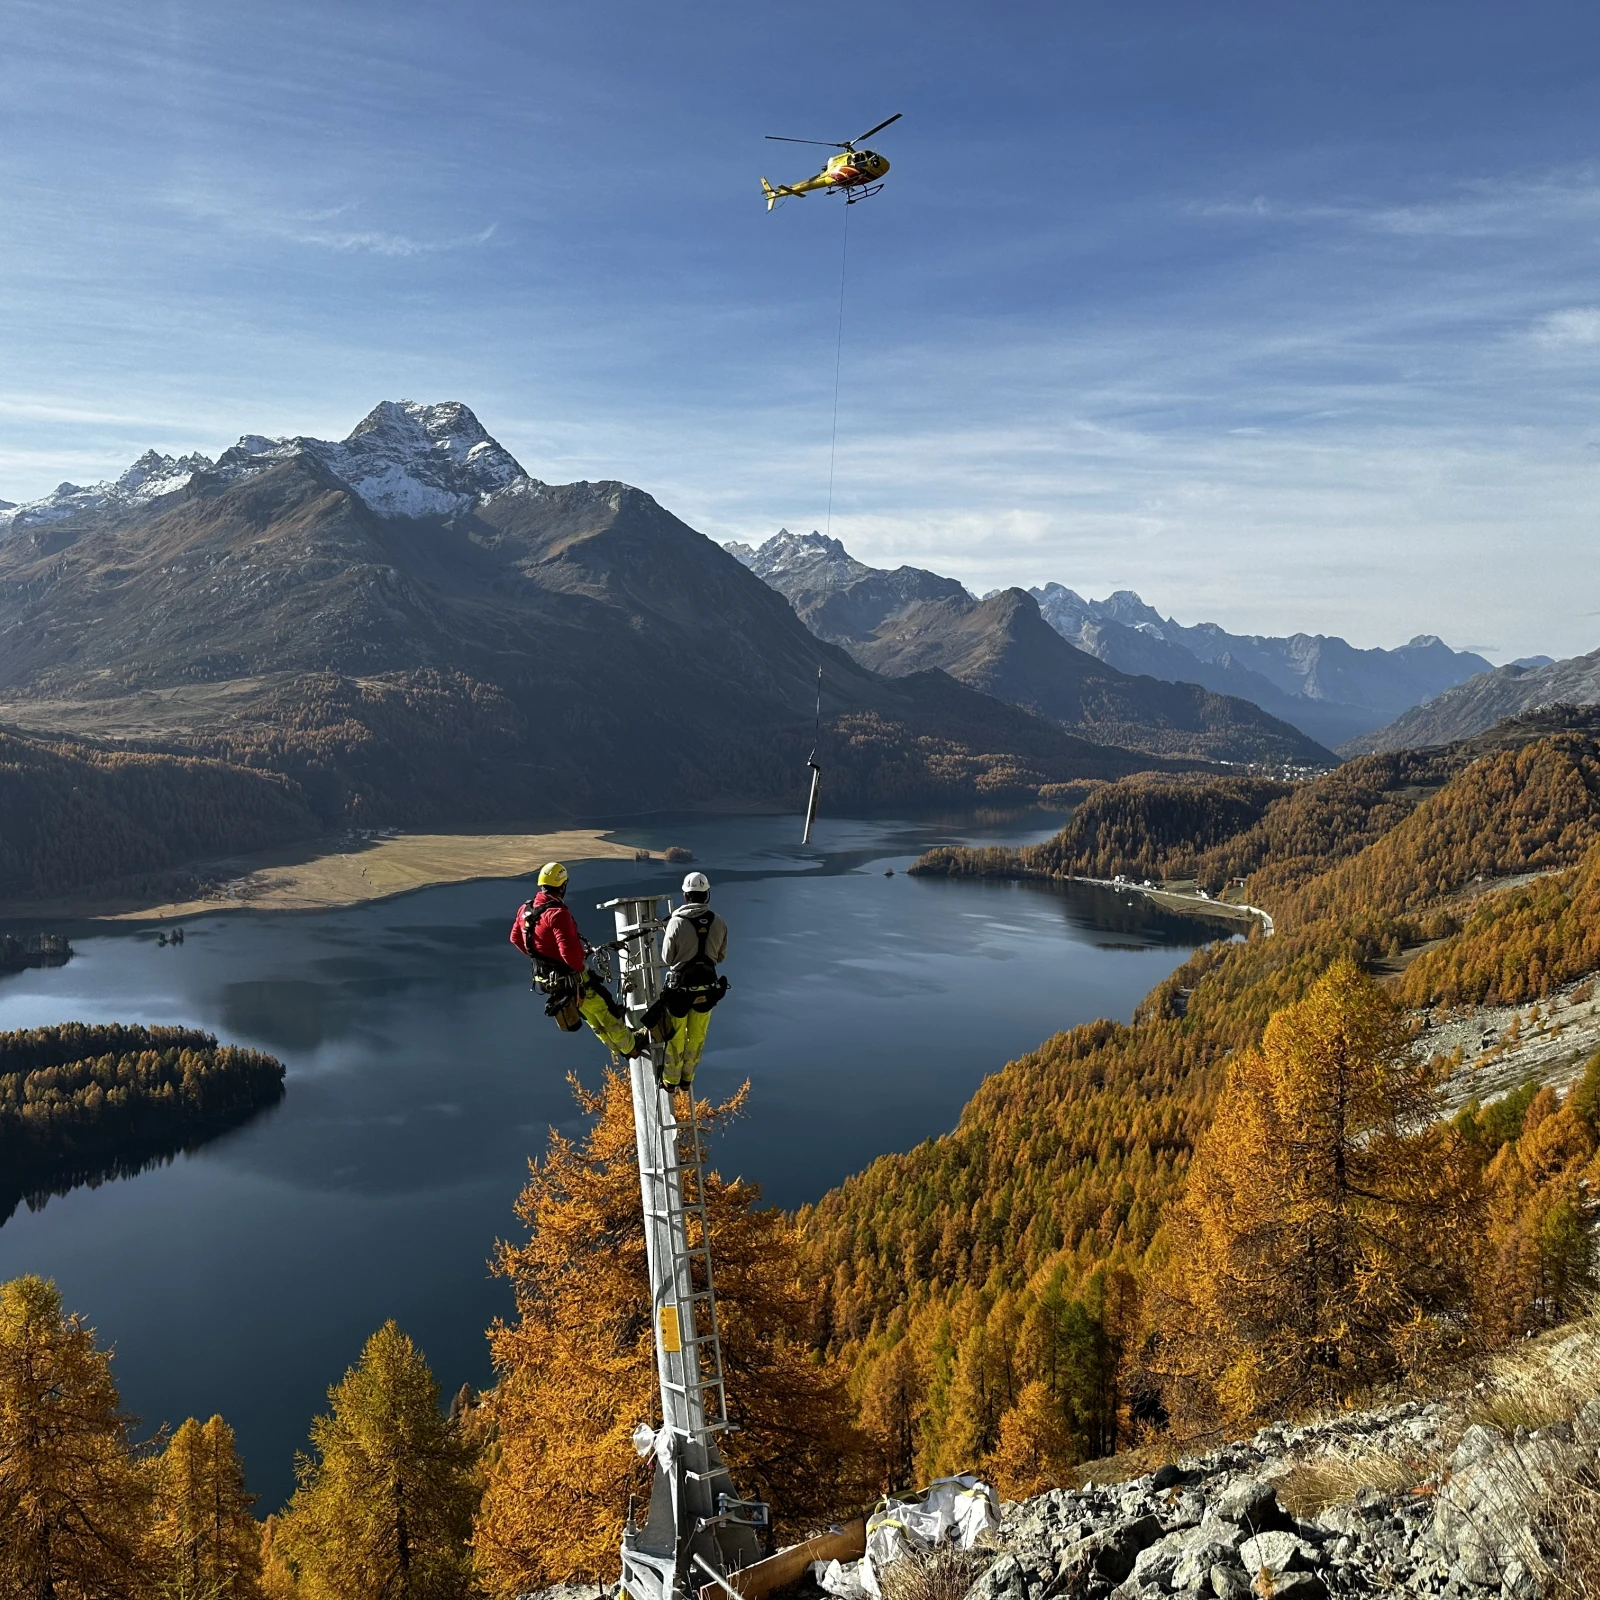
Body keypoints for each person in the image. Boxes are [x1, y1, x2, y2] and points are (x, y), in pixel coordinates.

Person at [509, 862, 647, 1058]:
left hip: (547, 979)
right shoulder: (557, 914)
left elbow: (515, 938)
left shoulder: (525, 910)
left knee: (591, 1016)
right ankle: (631, 1046)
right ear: (562, 885)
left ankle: (617, 1048)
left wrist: (542, 958)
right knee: (604, 1008)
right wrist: (579, 964)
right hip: (571, 977)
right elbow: (569, 954)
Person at [653, 871, 729, 1089]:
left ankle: (670, 1080)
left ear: (686, 896)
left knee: (675, 1037)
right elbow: (721, 956)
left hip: (679, 991)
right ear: (707, 895)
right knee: (697, 1036)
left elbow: (667, 958)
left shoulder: (676, 922)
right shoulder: (719, 922)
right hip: (707, 988)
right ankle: (687, 1079)